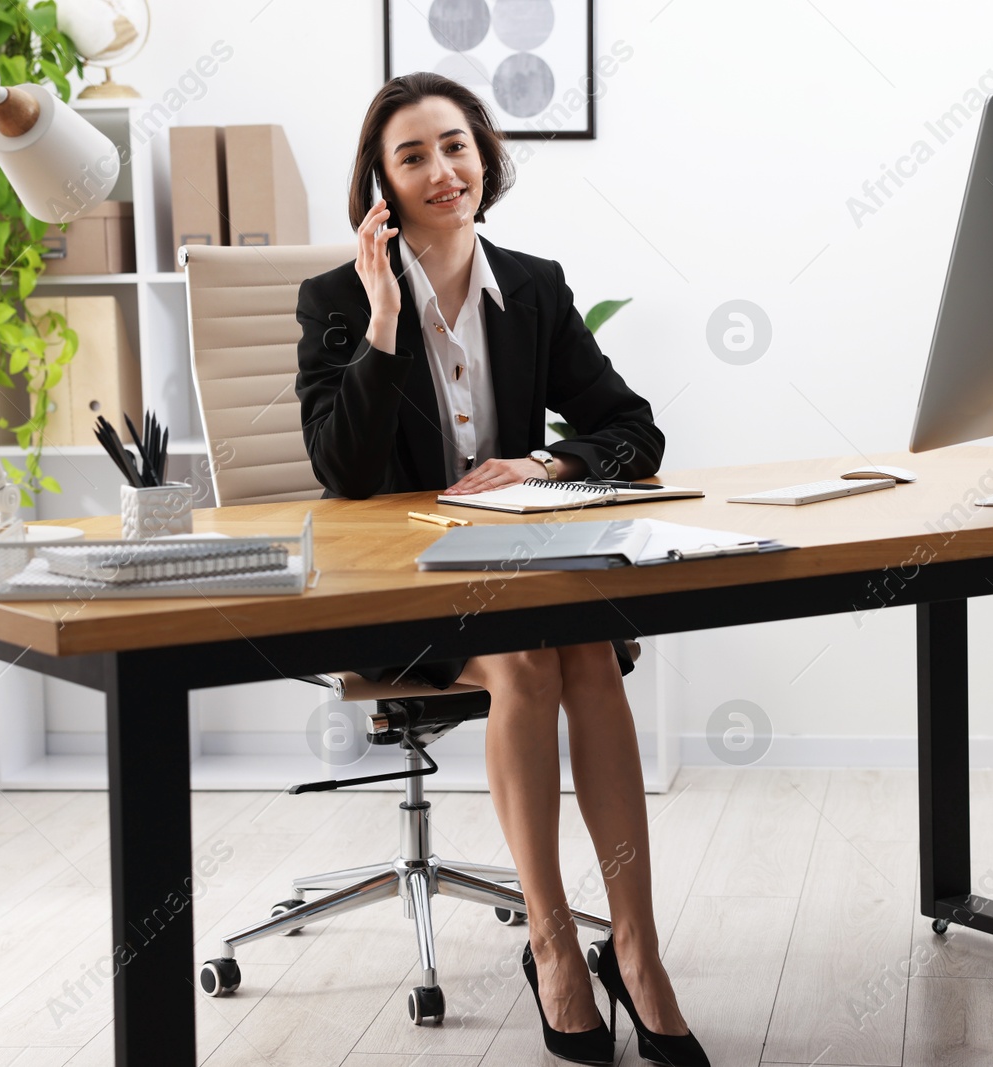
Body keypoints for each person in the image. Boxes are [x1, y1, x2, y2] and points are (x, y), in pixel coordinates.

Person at [294, 73, 708, 1067]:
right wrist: (387, 316)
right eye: (413, 155)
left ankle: (639, 948)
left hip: (520, 570)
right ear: (380, 184)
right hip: (399, 587)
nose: (443, 170)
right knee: (532, 661)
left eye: (456, 145)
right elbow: (343, 473)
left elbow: (634, 429)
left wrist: (544, 463)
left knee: (584, 651)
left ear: (483, 155)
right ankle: (555, 942)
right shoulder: (336, 302)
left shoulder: (532, 286)